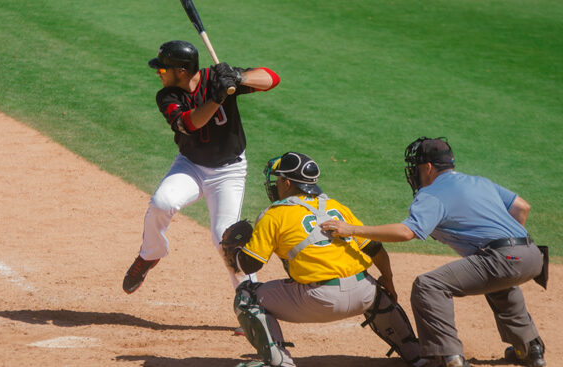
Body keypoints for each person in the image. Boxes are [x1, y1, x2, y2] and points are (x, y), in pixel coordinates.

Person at [320, 137, 548, 367]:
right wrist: (513, 249)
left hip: (504, 258)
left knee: (428, 286)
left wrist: (352, 229)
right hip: (532, 254)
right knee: (500, 283)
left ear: (428, 167)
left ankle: (448, 358)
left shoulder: (432, 193)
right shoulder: (478, 181)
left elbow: (406, 232)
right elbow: (522, 207)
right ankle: (529, 349)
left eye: (417, 168)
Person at [226, 152, 422, 367]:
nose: (275, 185)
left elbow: (250, 265)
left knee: (246, 297)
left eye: (278, 180)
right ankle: (417, 356)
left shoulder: (274, 214)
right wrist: (388, 279)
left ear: (287, 182)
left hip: (319, 299)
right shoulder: (337, 207)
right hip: (364, 295)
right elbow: (375, 248)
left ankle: (280, 362)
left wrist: (233, 252)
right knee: (376, 289)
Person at [122, 40, 280, 295]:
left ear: (181, 71)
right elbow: (190, 123)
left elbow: (271, 78)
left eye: (163, 69)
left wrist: (238, 77)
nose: (158, 73)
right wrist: (219, 96)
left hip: (228, 172)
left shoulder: (218, 78)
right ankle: (151, 254)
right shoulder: (168, 96)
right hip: (191, 166)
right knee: (162, 202)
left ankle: (253, 302)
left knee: (226, 239)